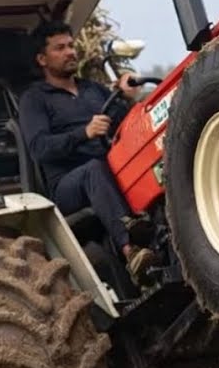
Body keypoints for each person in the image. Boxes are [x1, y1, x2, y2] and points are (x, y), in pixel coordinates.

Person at [17, 19, 158, 286]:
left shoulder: (93, 90)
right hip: (67, 184)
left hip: (109, 169)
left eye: (71, 45)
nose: (70, 52)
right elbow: (39, 149)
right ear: (42, 59)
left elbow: (126, 126)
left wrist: (127, 97)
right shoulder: (34, 99)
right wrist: (84, 133)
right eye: (60, 48)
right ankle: (132, 253)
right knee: (94, 169)